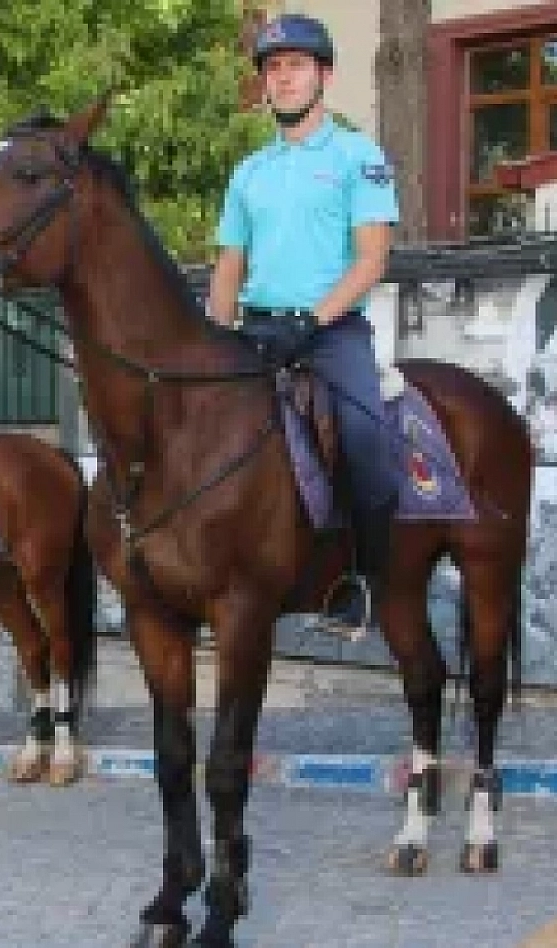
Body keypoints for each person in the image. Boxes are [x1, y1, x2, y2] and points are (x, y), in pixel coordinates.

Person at [205, 12, 401, 635]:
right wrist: (215, 333)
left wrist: (310, 320)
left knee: (365, 439)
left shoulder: (357, 156)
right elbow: (230, 262)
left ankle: (363, 581)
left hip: (331, 330)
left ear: (325, 76)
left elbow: (373, 257)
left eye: (296, 65)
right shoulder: (248, 172)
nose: (283, 78)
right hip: (258, 331)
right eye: (273, 67)